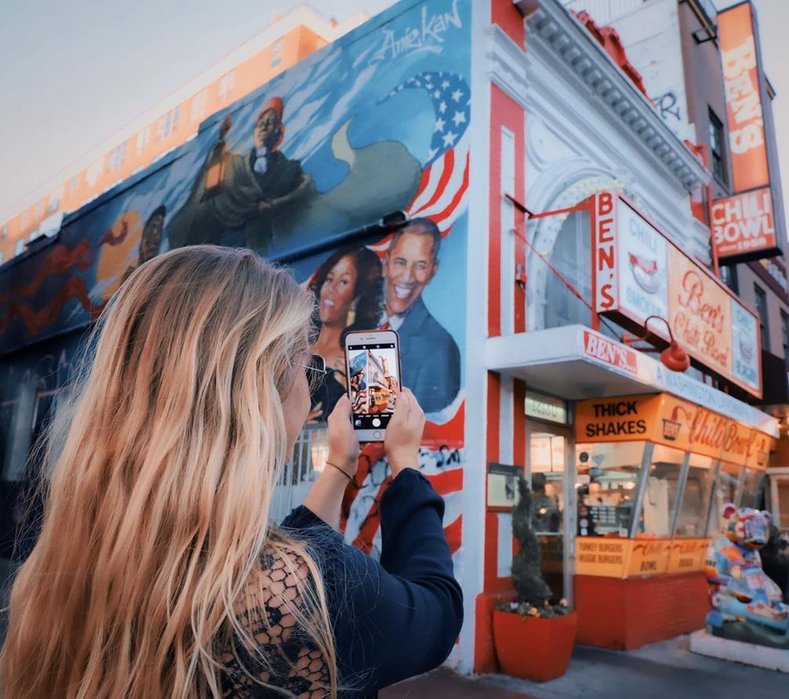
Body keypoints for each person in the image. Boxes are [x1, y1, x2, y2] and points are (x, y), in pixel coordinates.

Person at [0, 246, 462, 698]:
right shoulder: (305, 595)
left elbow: (295, 553)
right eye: (308, 367)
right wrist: (405, 465)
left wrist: (341, 462)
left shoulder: (72, 554)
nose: (312, 385)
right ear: (261, 392)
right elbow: (436, 612)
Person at [167, 97, 312, 252]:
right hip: (226, 244)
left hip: (259, 244)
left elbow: (301, 194)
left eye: (270, 122)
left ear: (279, 130)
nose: (263, 126)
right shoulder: (236, 165)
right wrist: (220, 141)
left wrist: (273, 206)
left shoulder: (289, 169)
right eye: (260, 122)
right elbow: (212, 182)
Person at [383, 218, 460, 413]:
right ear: (386, 262)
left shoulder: (439, 348)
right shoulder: (361, 324)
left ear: (433, 271)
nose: (407, 277)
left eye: (420, 266)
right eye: (400, 262)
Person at [309, 246, 384, 421]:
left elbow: (376, 424)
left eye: (343, 282)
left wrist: (353, 396)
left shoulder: (363, 359)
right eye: (329, 279)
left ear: (357, 298)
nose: (331, 289)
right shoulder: (295, 347)